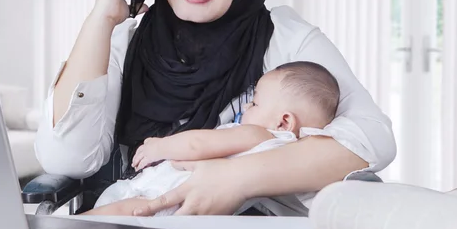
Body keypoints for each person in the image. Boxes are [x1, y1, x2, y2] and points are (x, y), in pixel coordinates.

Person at [35, 0, 396, 216]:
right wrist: (100, 19)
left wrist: (236, 177)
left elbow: (373, 139)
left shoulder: (284, 38)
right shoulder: (124, 40)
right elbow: (66, 159)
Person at [81, 61, 341, 216]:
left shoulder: (260, 135)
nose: (246, 108)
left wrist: (159, 146)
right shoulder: (286, 154)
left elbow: (198, 145)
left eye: (255, 103)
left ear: (283, 121)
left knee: (99, 222)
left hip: (165, 195)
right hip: (182, 201)